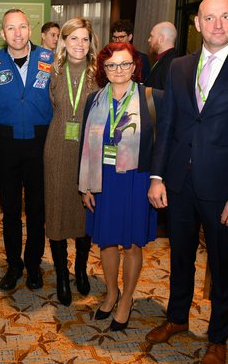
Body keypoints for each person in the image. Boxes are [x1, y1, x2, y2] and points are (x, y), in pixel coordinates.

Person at [145, 0, 228, 364]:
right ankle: (177, 318)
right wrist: (157, 177)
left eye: (224, 17)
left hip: (224, 189)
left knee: (221, 264)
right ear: (198, 24)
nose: (216, 24)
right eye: (209, 18)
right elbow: (168, 126)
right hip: (179, 183)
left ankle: (218, 337)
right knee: (180, 256)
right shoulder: (179, 67)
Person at [78, 42, 162, 332]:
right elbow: (85, 146)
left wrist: (157, 180)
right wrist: (86, 186)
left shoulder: (152, 98)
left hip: (136, 179)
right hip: (103, 180)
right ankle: (111, 292)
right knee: (107, 240)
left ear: (135, 66)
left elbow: (163, 145)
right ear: (103, 69)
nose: (118, 70)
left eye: (124, 64)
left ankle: (126, 299)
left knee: (132, 242)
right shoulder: (94, 100)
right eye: (111, 65)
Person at [0, 9, 53, 291]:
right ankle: (14, 265)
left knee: (37, 209)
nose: (17, 33)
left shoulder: (48, 59)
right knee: (10, 210)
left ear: (30, 29)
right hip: (8, 146)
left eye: (22, 27)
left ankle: (33, 264)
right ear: (2, 33)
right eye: (10, 28)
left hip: (40, 143)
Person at [43, 18, 98, 306]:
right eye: (73, 38)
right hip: (56, 149)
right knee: (57, 210)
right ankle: (62, 274)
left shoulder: (98, 74)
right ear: (63, 41)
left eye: (85, 39)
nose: (79, 44)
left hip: (88, 151)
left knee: (84, 212)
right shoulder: (53, 71)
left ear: (91, 43)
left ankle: (80, 268)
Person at [145, 21, 177, 90]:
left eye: (151, 36)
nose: (149, 40)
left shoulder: (170, 64)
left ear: (161, 39)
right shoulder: (165, 59)